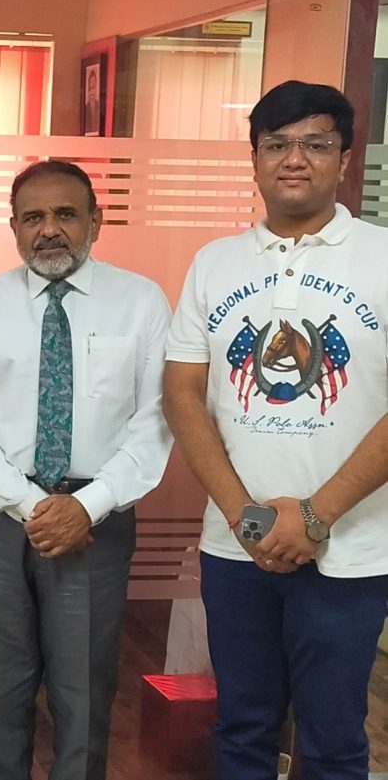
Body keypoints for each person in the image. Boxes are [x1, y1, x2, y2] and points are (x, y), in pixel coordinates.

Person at [164, 80, 388, 780]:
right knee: (243, 727)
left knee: (333, 740)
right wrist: (248, 517)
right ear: (255, 158)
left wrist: (315, 516)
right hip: (237, 547)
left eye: (316, 143)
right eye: (277, 144)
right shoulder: (215, 262)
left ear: (344, 159)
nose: (295, 158)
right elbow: (183, 393)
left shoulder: (382, 256)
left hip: (350, 551)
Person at [0, 160, 173, 780]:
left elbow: (156, 420)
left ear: (95, 221)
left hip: (97, 517)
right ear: (14, 227)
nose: (49, 229)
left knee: (85, 689)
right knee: (0, 684)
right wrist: (32, 506)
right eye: (33, 217)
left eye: (66, 214)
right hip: (2, 515)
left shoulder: (141, 302)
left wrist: (86, 507)